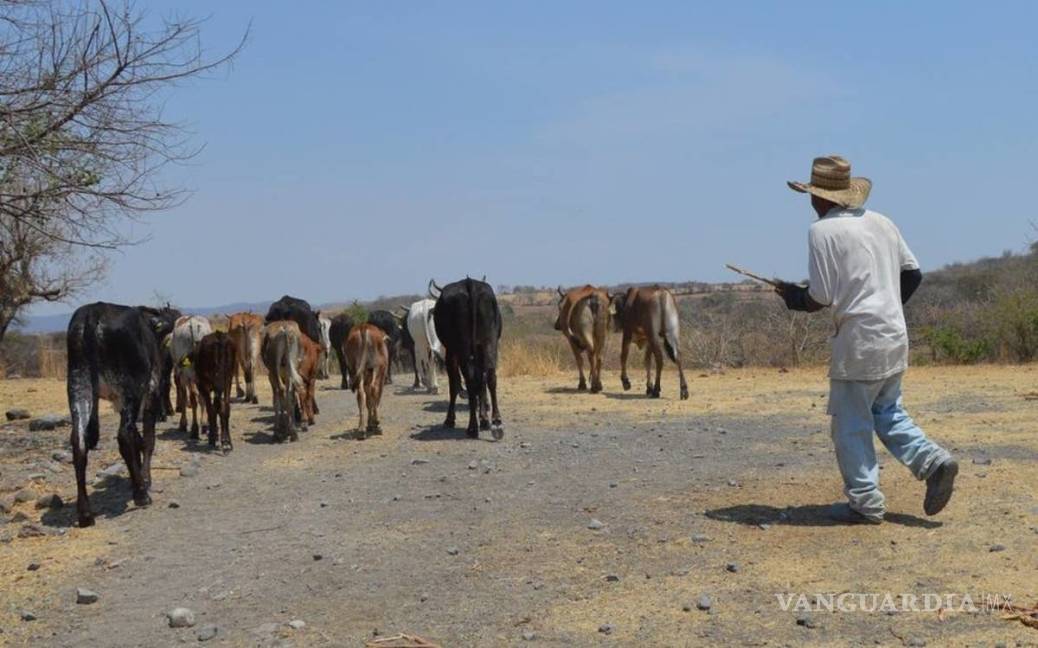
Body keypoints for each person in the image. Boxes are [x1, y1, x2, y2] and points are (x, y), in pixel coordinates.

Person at [776, 155, 957, 524]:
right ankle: (934, 462)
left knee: (850, 424)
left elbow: (821, 296)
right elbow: (913, 274)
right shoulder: (882, 222)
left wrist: (793, 297)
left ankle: (865, 503)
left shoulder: (821, 232)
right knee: (887, 411)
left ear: (817, 196)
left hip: (858, 341)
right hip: (894, 334)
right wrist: (884, 304)